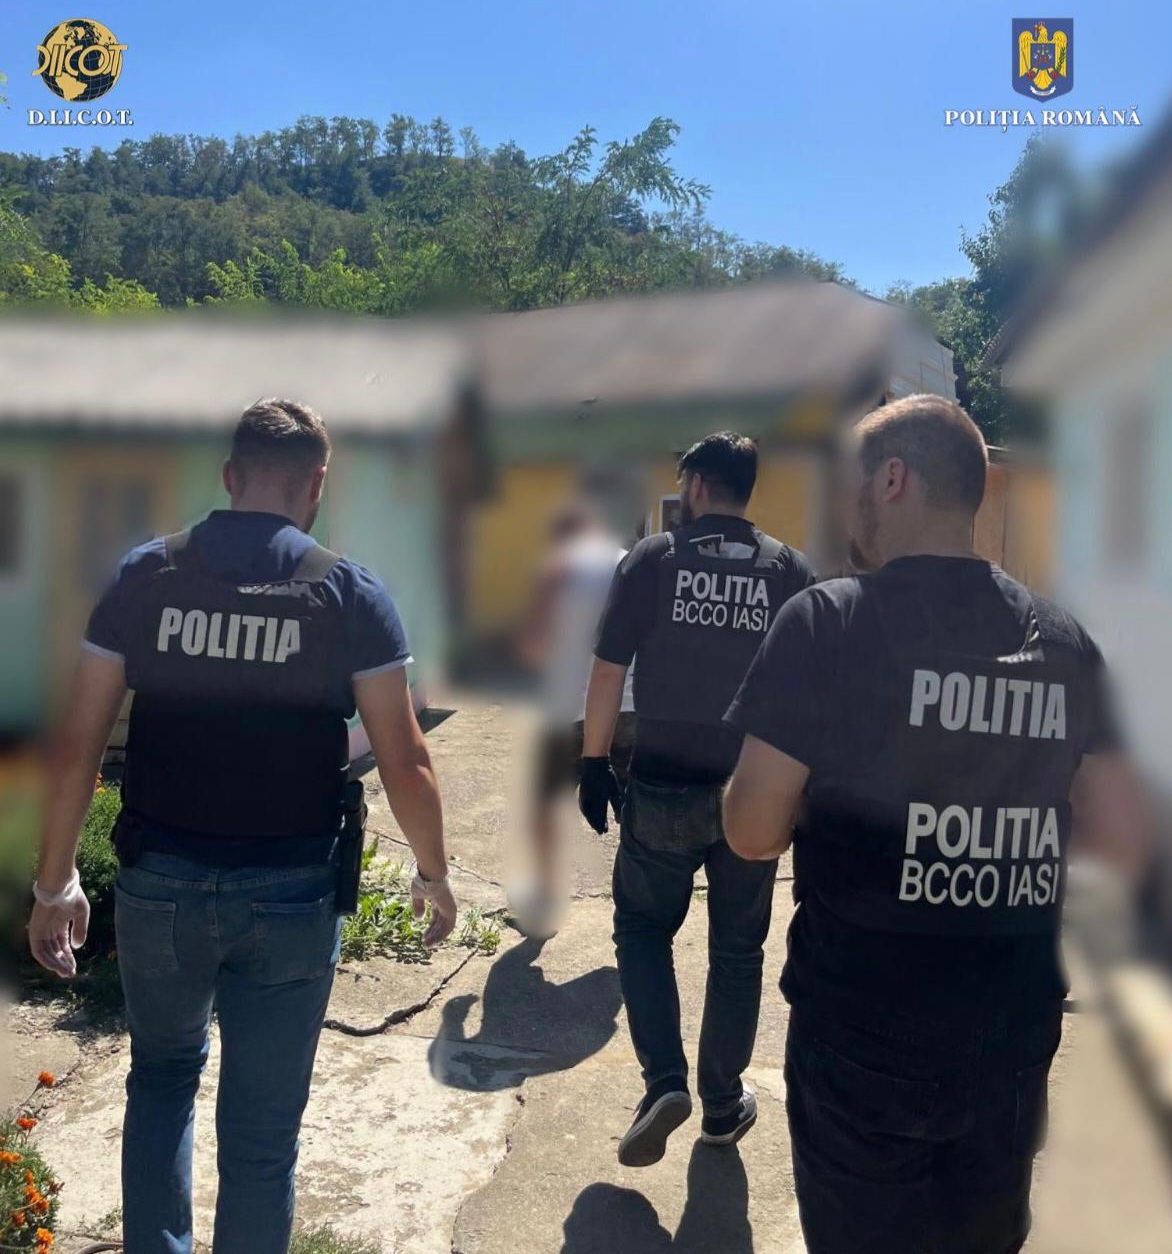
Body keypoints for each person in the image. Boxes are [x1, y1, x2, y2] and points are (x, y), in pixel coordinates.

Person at [27, 398, 459, 1254]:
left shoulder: (145, 577)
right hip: (292, 893)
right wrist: (434, 873)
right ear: (317, 485)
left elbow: (77, 743)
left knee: (161, 1081)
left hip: (160, 883)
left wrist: (55, 882)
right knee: (263, 1131)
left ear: (229, 477)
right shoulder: (349, 592)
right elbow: (405, 758)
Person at [723, 394, 1149, 1254]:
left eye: (853, 483)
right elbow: (1118, 841)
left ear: (892, 479)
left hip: (863, 1032)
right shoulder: (1065, 643)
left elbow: (752, 832)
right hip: (1012, 1032)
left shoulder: (828, 622)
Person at [579, 431, 816, 1166]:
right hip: (753, 790)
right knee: (737, 950)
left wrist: (592, 761)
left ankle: (664, 1083)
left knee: (643, 928)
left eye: (685, 484)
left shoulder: (654, 558)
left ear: (701, 485)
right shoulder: (789, 570)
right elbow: (811, 697)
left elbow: (609, 670)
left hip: (663, 781)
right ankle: (720, 1102)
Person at [514, 501, 636, 936]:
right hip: (628, 706)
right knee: (636, 812)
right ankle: (634, 909)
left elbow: (532, 646)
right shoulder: (632, 564)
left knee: (543, 804)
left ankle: (545, 903)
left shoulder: (556, 569)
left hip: (566, 710)